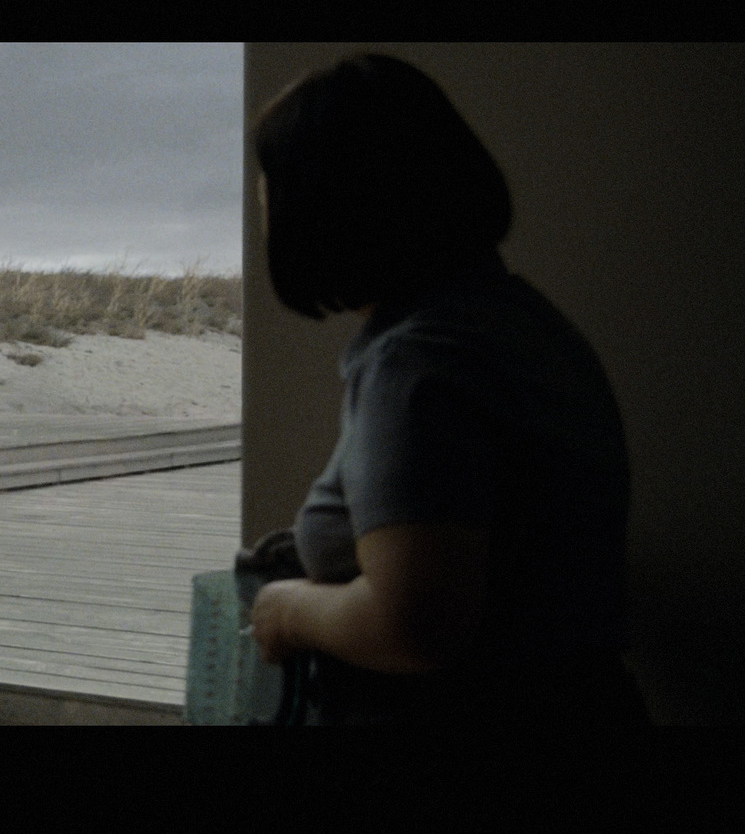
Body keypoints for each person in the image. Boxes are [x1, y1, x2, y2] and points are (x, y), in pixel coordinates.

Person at [244, 54, 649, 724]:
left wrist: (288, 611)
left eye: (270, 185)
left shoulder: (417, 363)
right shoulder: (515, 320)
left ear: (326, 204)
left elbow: (414, 625)